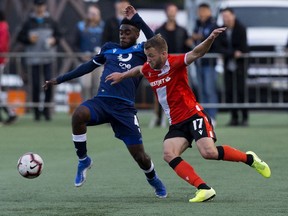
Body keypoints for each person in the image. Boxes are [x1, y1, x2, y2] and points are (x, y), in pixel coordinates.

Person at [106, 29, 271, 202]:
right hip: (177, 123)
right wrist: (122, 75)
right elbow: (139, 69)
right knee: (169, 153)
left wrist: (210, 38)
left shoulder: (176, 62)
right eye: (147, 56)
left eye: (152, 56)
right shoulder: (148, 67)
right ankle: (203, 188)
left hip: (194, 115)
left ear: (163, 53)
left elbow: (197, 52)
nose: (148, 60)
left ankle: (250, 158)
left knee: (209, 153)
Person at [43, 6, 167, 198]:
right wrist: (59, 79)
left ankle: (153, 178)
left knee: (140, 157)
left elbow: (158, 41)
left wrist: (137, 18)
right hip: (102, 102)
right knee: (78, 115)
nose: (123, 36)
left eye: (128, 32)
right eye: (121, 33)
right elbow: (86, 68)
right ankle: (83, 159)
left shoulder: (143, 51)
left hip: (124, 108)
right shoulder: (109, 48)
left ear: (137, 34)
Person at [17, 0, 61, 121]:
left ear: (45, 6)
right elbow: (20, 37)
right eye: (37, 5)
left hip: (48, 58)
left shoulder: (51, 21)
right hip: (33, 59)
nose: (40, 8)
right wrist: (28, 39)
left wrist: (54, 40)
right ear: (34, 6)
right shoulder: (28, 22)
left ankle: (46, 110)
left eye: (41, 5)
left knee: (49, 83)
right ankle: (36, 112)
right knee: (35, 85)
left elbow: (59, 36)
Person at [153, 3, 192, 127]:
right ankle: (158, 116)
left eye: (174, 11)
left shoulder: (182, 30)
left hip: (178, 66)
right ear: (166, 12)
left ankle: (182, 115)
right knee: (161, 91)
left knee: (181, 91)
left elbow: (187, 47)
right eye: (170, 10)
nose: (172, 13)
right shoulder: (159, 31)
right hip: (162, 66)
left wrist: (190, 43)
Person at [216, 8, 249, 126]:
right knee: (229, 91)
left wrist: (233, 52)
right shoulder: (221, 30)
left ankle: (245, 118)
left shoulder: (241, 28)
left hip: (240, 65)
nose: (226, 19)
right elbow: (218, 48)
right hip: (227, 65)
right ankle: (234, 117)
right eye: (224, 16)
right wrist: (232, 53)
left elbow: (244, 48)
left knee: (241, 91)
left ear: (233, 16)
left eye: (228, 16)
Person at [192, 3, 218, 126]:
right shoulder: (198, 24)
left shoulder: (213, 23)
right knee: (201, 90)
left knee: (209, 89)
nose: (201, 13)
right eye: (199, 10)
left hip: (209, 63)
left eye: (203, 10)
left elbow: (208, 38)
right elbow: (193, 37)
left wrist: (199, 36)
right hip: (199, 62)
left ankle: (212, 115)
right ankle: (205, 115)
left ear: (209, 11)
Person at [74, 4, 105, 99]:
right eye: (91, 14)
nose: (93, 16)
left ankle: (95, 108)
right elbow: (74, 44)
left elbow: (108, 42)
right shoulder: (80, 26)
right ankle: (85, 107)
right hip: (84, 61)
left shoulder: (103, 27)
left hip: (99, 61)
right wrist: (81, 55)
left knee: (98, 85)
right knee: (85, 85)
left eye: (95, 14)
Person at [0, 10, 18, 125]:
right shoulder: (4, 27)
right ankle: (10, 113)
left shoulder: (2, 27)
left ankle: (11, 112)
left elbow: (2, 45)